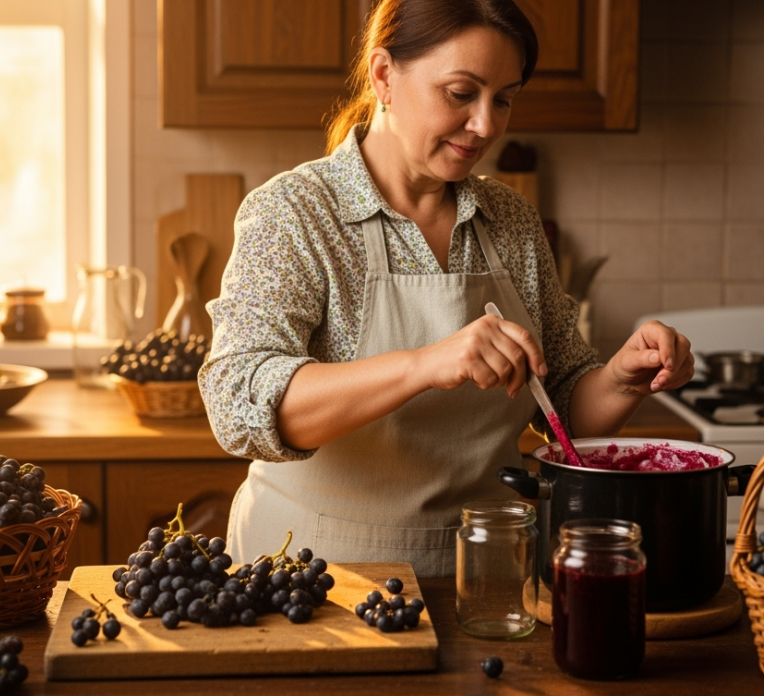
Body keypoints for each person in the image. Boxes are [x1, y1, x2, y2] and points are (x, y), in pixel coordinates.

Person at [199, 0, 695, 577]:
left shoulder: (511, 220)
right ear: (384, 75)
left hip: (491, 573)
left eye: (503, 99)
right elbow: (239, 405)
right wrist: (423, 365)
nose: (486, 124)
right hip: (316, 578)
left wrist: (619, 378)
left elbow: (561, 408)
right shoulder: (296, 214)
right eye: (462, 93)